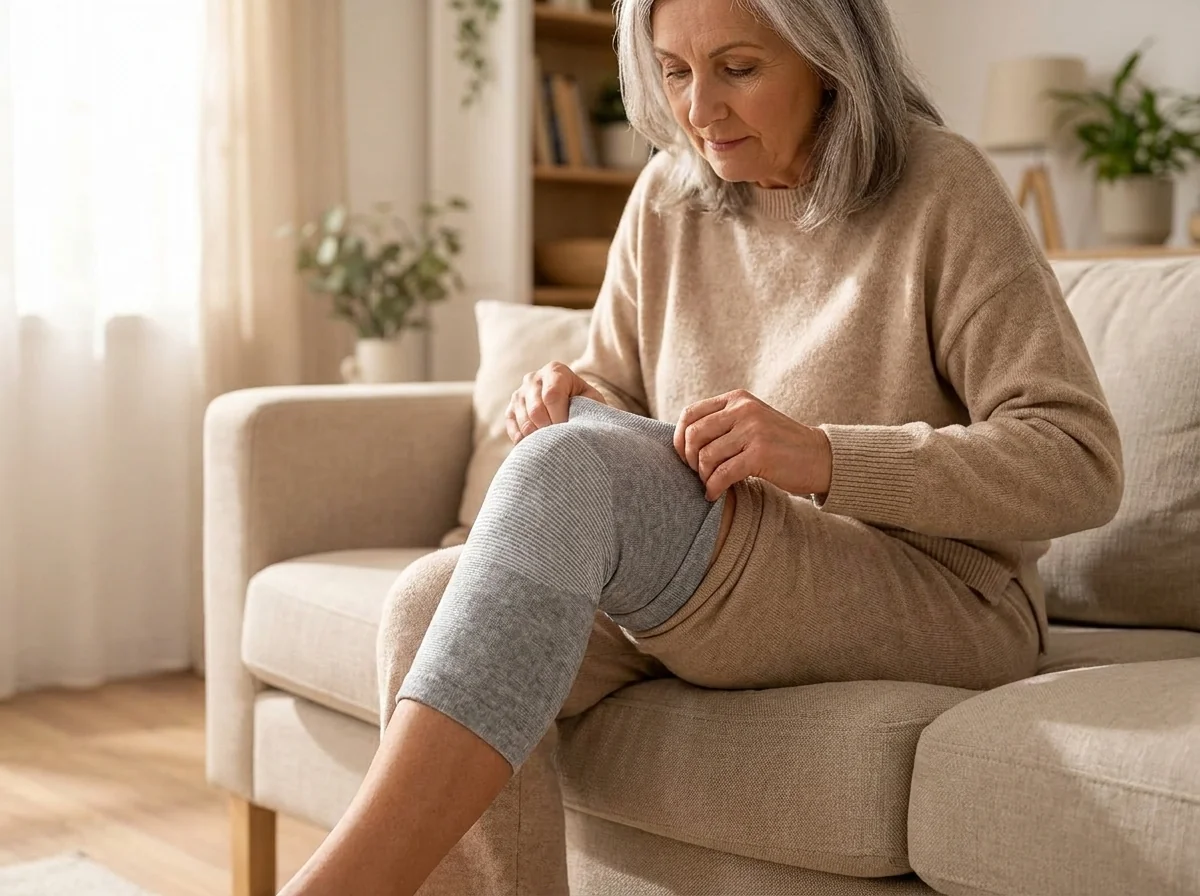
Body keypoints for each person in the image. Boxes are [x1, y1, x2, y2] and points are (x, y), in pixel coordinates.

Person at [279, 0, 1123, 892]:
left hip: (933, 591)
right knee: (424, 606)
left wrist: (826, 457)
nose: (699, 110)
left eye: (739, 69)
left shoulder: (941, 187)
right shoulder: (667, 195)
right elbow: (619, 392)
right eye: (674, 72)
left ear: (830, 58)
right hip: (717, 572)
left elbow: (1078, 460)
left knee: (564, 487)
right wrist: (573, 398)